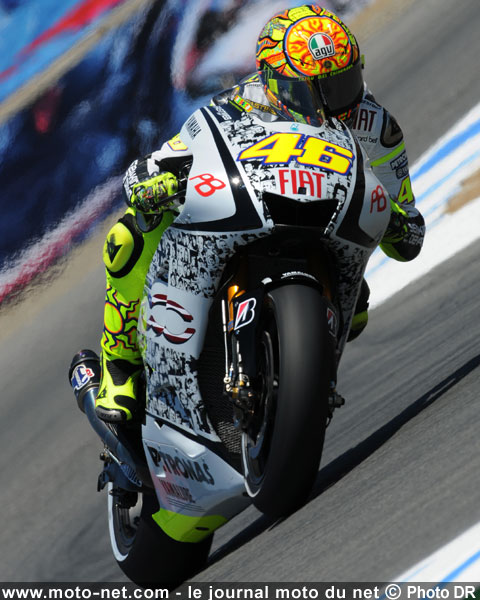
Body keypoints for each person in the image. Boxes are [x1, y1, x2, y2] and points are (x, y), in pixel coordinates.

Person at [95, 4, 425, 423]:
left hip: (332, 235)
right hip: (254, 214)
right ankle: (119, 365)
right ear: (277, 84)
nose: (335, 103)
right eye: (317, 91)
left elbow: (410, 237)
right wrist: (153, 180)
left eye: (344, 82)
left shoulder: (375, 126)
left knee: (355, 313)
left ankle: (300, 382)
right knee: (127, 236)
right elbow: (163, 161)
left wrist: (394, 220)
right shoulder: (234, 105)